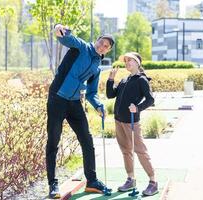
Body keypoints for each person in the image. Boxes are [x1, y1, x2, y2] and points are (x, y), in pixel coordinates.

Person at [46, 23, 114, 199]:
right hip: (58, 98)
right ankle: (53, 184)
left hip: (75, 102)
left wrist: (98, 106)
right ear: (97, 40)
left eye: (106, 46)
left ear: (107, 50)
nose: (102, 46)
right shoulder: (82, 46)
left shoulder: (97, 67)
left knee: (87, 140)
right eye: (101, 42)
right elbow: (66, 38)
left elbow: (92, 93)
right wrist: (59, 28)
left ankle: (92, 181)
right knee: (53, 140)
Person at [106, 52, 158, 196]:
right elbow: (110, 95)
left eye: (130, 60)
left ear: (137, 63)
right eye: (126, 61)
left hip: (132, 122)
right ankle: (131, 179)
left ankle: (153, 182)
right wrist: (111, 79)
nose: (127, 63)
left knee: (140, 151)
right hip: (119, 120)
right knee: (126, 151)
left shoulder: (141, 80)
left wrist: (138, 108)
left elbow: (150, 99)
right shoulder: (124, 79)